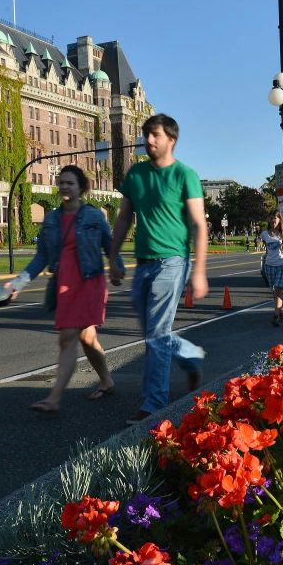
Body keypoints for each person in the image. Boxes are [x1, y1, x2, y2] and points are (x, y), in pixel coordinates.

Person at [109, 114, 208, 425]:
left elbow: (199, 225)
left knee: (155, 336)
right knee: (155, 333)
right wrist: (113, 255)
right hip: (143, 264)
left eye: (155, 135)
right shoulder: (136, 174)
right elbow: (124, 217)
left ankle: (153, 404)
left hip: (173, 262)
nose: (148, 140)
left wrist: (199, 271)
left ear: (171, 140)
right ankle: (189, 354)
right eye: (146, 134)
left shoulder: (184, 175)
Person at [4, 165, 123, 413]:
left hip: (89, 282)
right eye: (61, 182)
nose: (64, 187)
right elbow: (41, 257)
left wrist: (116, 267)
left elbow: (109, 245)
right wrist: (18, 283)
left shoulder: (94, 216)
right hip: (64, 283)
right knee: (87, 338)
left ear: (81, 187)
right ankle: (107, 381)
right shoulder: (51, 219)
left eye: (70, 183)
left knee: (67, 338)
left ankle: (54, 398)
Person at [260, 210, 283, 326]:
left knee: (279, 288)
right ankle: (280, 311)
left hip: (282, 265)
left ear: (279, 220)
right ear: (268, 219)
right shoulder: (264, 234)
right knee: (275, 291)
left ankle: (276, 315)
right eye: (271, 217)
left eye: (275, 218)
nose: (273, 220)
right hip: (269, 265)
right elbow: (267, 249)